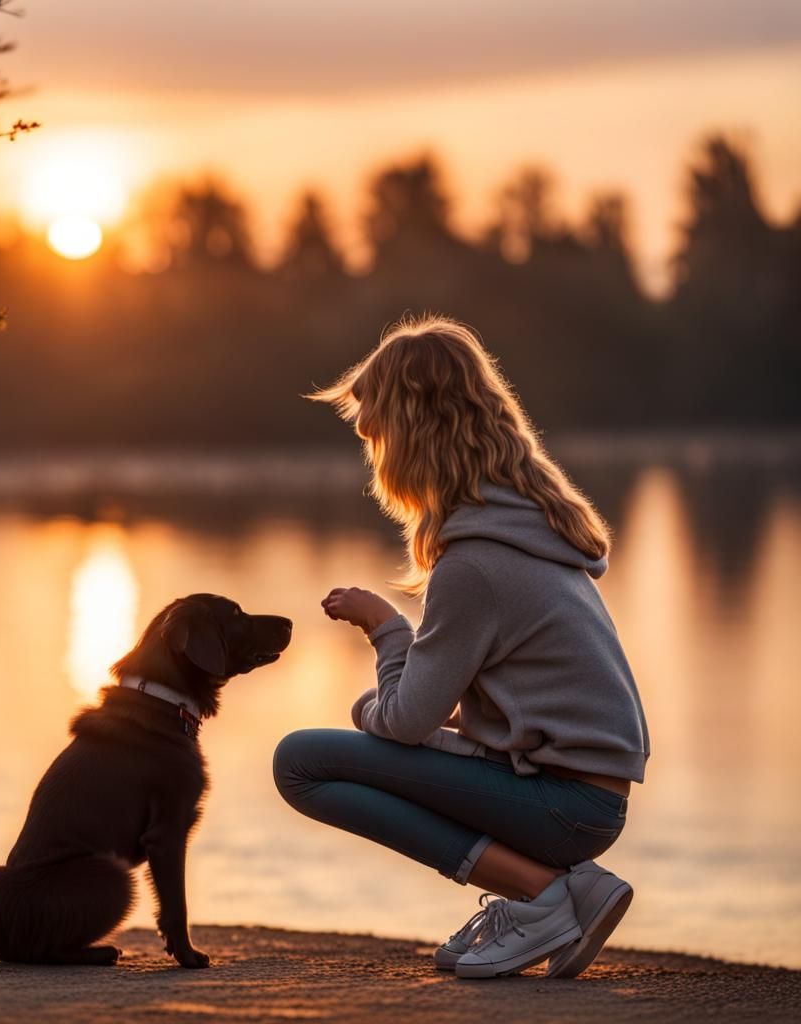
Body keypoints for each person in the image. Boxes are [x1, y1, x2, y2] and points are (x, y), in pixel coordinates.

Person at [272, 315, 650, 980]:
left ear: (412, 431)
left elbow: (404, 722)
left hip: (565, 805)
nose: (372, 452)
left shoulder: (474, 562)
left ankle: (543, 896)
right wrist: (402, 705)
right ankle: (561, 892)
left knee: (301, 763)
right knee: (364, 747)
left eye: (375, 433)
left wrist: (386, 628)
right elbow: (464, 704)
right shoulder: (527, 529)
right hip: (584, 796)